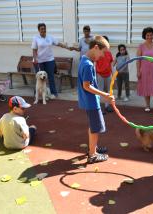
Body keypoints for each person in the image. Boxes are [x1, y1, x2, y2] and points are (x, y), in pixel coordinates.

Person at [78, 35, 115, 164]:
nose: (103, 56)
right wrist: (105, 95)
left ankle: (92, 148)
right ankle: (92, 155)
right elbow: (87, 86)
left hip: (89, 101)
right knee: (96, 128)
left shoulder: (84, 59)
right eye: (103, 53)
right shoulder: (88, 64)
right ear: (95, 48)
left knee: (93, 126)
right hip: (91, 102)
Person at [32, 23, 69, 99]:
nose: (43, 30)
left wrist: (66, 47)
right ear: (39, 30)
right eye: (41, 29)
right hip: (39, 61)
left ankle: (53, 93)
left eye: (44, 28)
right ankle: (38, 94)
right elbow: (34, 49)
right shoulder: (36, 38)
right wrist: (35, 59)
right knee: (39, 78)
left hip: (49, 60)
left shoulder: (50, 37)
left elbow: (58, 43)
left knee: (51, 77)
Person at [136, 27, 153, 113]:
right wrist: (138, 71)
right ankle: (147, 105)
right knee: (146, 88)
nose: (149, 37)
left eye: (151, 35)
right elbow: (138, 60)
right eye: (147, 35)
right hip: (144, 70)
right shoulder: (141, 46)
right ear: (144, 36)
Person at [95, 36, 114, 114]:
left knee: (108, 91)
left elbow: (111, 63)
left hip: (108, 74)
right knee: (100, 91)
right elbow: (94, 63)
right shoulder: (98, 52)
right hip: (100, 74)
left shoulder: (109, 53)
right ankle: (98, 107)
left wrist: (113, 74)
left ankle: (107, 106)